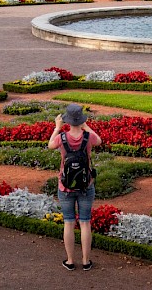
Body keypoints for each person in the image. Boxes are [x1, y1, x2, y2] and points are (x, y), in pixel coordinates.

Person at [47, 103, 102, 271]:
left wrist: (57, 128)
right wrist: (86, 126)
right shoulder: (88, 137)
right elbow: (99, 140)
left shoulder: (61, 138)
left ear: (67, 121)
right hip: (86, 185)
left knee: (69, 222)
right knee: (85, 223)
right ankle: (86, 261)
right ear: (81, 120)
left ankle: (70, 260)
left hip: (65, 185)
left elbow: (50, 145)